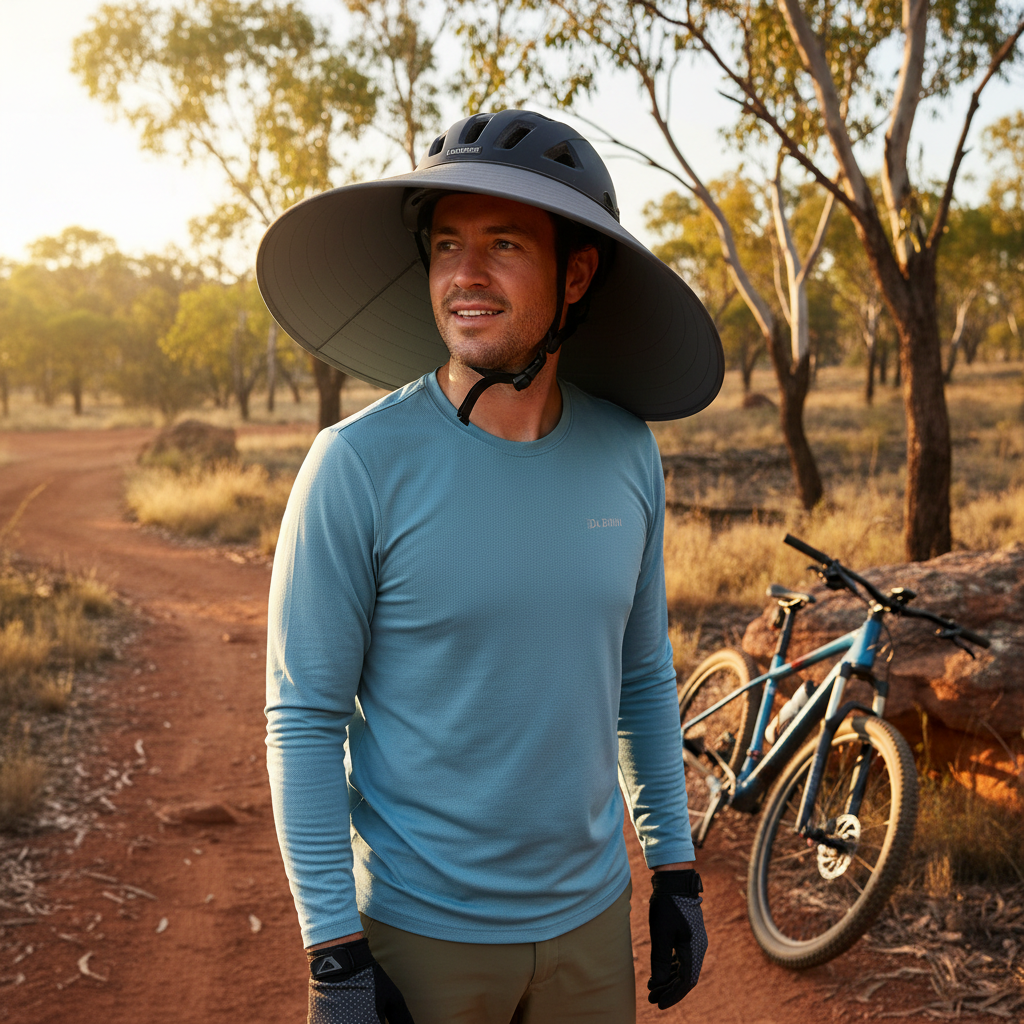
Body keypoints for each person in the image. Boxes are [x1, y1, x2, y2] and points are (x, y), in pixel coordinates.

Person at [258, 109, 724, 1024]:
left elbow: (640, 676)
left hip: (592, 927)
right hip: (419, 934)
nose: (464, 274)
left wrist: (674, 869)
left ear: (575, 274)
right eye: (446, 245)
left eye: (503, 243)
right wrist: (334, 954)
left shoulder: (627, 453)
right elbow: (304, 717)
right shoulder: (357, 465)